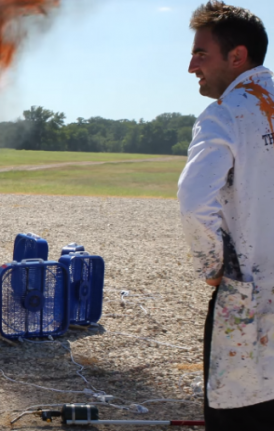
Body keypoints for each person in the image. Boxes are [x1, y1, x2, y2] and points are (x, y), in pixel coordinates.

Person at [178, 2, 274, 430]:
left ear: (237, 56)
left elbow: (194, 201)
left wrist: (212, 266)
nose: (192, 67)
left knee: (239, 411)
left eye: (201, 54)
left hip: (249, 294)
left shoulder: (226, 113)